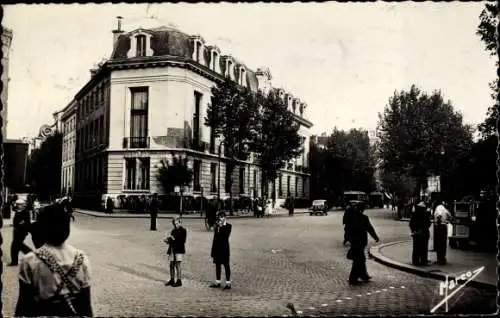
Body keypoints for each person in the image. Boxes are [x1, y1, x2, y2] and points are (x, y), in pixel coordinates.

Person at [15, 202, 93, 317]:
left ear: (44, 228)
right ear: (67, 229)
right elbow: (86, 305)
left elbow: (24, 306)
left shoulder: (30, 261)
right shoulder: (82, 259)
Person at [346, 202, 379, 285]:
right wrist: (375, 237)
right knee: (358, 260)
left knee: (360, 258)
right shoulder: (364, 218)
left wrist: (349, 239)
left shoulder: (352, 217)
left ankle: (364, 275)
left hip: (354, 241)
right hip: (360, 242)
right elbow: (370, 228)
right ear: (363, 209)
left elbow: (348, 229)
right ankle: (353, 279)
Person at [209, 212, 232, 290]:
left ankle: (228, 282)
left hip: (224, 249)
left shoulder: (228, 226)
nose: (220, 219)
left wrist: (220, 227)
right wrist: (213, 251)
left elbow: (225, 236)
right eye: (219, 217)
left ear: (225, 217)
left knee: (226, 265)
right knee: (217, 265)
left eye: (222, 217)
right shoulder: (217, 226)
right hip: (217, 249)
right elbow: (215, 238)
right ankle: (218, 281)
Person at [164, 216, 187, 287]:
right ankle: (172, 279)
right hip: (172, 249)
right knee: (171, 265)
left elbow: (183, 241)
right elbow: (171, 240)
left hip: (179, 249)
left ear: (180, 222)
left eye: (176, 223)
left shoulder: (183, 230)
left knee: (178, 265)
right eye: (174, 223)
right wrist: (167, 240)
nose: (175, 224)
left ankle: (179, 280)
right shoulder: (173, 231)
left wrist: (174, 239)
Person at [409, 201, 431, 266]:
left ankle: (415, 261)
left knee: (416, 248)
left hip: (416, 233)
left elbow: (411, 224)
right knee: (424, 248)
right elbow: (428, 224)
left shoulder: (415, 214)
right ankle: (423, 261)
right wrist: (423, 229)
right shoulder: (426, 214)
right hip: (424, 233)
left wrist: (413, 230)